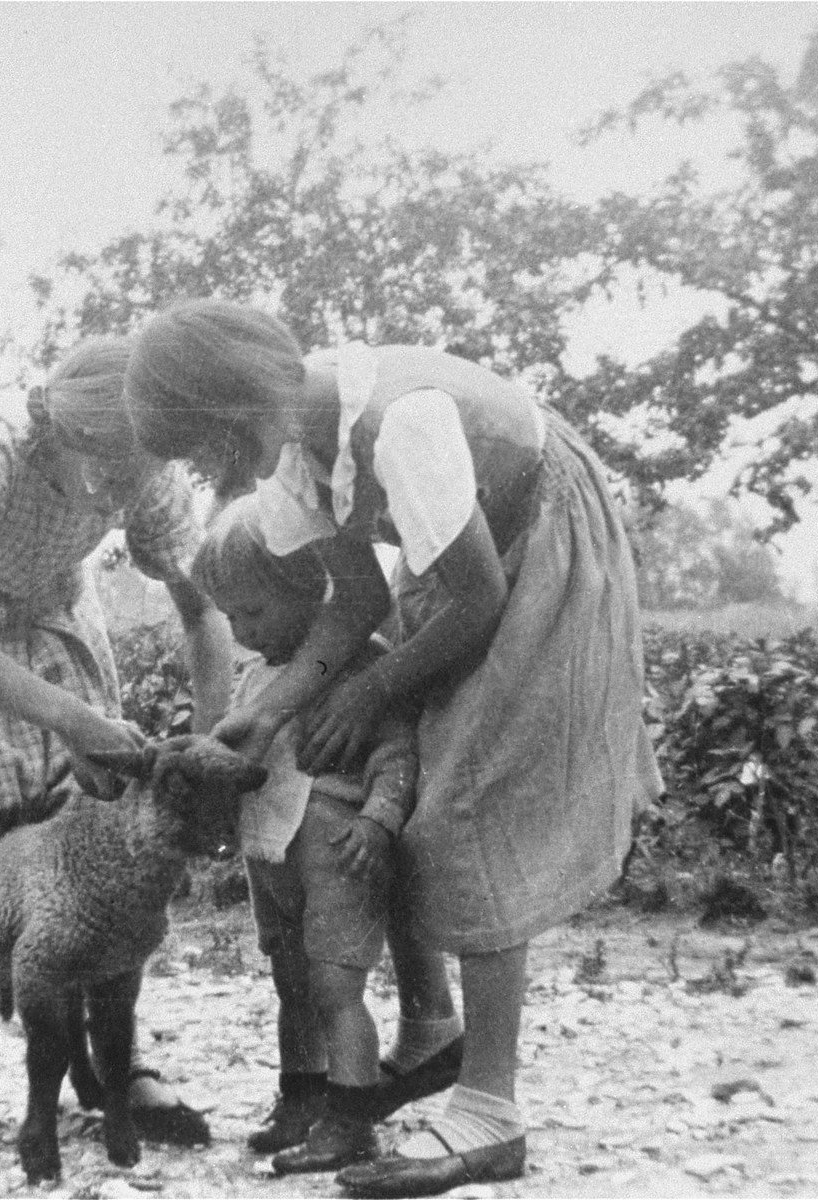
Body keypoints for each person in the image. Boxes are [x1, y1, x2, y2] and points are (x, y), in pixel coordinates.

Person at [125, 300, 663, 1198]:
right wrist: (277, 710)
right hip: (461, 564)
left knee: (472, 800)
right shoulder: (300, 453)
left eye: (200, 445)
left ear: (236, 399)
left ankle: (490, 1114)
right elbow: (355, 599)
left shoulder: (400, 422)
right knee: (420, 793)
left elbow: (479, 597)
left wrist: (372, 688)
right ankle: (430, 1040)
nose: (206, 471)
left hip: (536, 541)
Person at [0, 336, 232, 1174]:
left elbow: (205, 615)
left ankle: (116, 1060)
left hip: (46, 602)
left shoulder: (151, 470)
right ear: (49, 431)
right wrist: (69, 715)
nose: (110, 492)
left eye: (130, 473)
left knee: (93, 802)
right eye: (94, 468)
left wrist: (204, 742)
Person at [191, 495, 456, 1176]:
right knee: (291, 984)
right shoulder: (256, 675)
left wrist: (377, 819)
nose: (242, 632)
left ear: (308, 587)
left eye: (252, 611)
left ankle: (352, 1120)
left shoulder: (355, 662)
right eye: (229, 618)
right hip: (272, 857)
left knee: (337, 989)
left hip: (336, 854)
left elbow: (395, 754)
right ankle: (301, 1096)